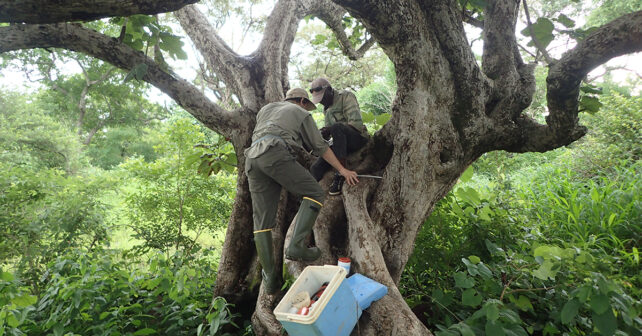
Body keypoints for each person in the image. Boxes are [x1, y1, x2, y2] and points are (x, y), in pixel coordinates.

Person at [245, 88, 359, 294]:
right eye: (308, 104)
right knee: (315, 193)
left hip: (253, 159)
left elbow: (275, 133)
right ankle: (296, 246)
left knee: (262, 222)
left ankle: (271, 279)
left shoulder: (266, 109)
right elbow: (320, 147)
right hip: (275, 154)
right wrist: (342, 170)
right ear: (302, 101)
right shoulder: (301, 113)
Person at [308, 78, 369, 195]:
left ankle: (340, 174)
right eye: (319, 101)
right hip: (340, 144)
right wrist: (325, 133)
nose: (322, 102)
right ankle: (311, 197)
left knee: (337, 127)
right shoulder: (326, 109)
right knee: (316, 168)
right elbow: (332, 134)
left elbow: (356, 125)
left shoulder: (346, 96)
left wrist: (332, 129)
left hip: (357, 139)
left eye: (323, 98)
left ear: (330, 90)